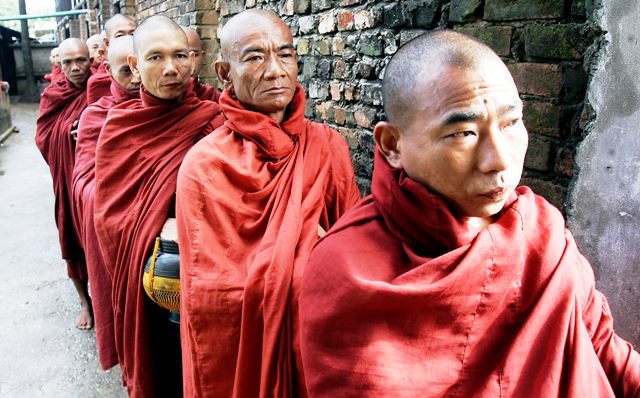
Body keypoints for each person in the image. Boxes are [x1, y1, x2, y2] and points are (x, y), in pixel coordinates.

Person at [299, 30, 640, 397]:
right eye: (464, 133)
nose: (500, 161)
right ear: (392, 145)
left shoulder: (542, 234)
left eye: (511, 123)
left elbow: (603, 346)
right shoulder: (344, 269)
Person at [176, 9, 360, 397]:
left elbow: (357, 251)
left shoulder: (327, 145)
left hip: (316, 337)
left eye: (286, 54)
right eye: (256, 57)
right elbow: (211, 295)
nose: (276, 70)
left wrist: (308, 253)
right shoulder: (206, 165)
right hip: (244, 351)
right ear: (224, 72)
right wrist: (307, 255)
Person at [93, 15, 224, 397]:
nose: (171, 69)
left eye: (180, 55)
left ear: (194, 59)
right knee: (164, 369)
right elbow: (110, 219)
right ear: (134, 66)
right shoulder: (120, 129)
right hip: (152, 275)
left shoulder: (214, 119)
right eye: (155, 58)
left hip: (212, 277)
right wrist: (157, 226)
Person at [72, 35, 140, 372]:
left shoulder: (191, 112)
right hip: (123, 241)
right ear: (108, 73)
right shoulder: (96, 117)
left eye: (139, 63)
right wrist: (134, 200)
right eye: (124, 69)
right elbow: (84, 182)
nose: (136, 76)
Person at [35, 38, 92, 330]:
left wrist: (91, 127)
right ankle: (85, 301)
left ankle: (109, 299)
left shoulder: (103, 89)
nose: (75, 68)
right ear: (59, 65)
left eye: (80, 60)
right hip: (67, 178)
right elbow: (43, 136)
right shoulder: (53, 95)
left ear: (91, 59)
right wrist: (66, 135)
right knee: (70, 234)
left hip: (96, 180)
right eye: (68, 62)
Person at [86, 14, 137, 104]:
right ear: (107, 42)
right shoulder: (98, 82)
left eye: (133, 34)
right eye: (120, 36)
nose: (128, 38)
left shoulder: (149, 68)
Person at [181, 25, 220, 101]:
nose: (189, 62)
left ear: (202, 58)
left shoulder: (214, 99)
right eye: (180, 55)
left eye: (195, 55)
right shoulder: (154, 101)